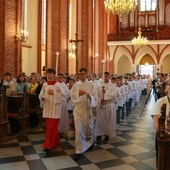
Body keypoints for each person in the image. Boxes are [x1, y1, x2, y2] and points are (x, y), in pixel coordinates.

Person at [70, 68, 98, 160]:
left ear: (86, 74)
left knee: (88, 128)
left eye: (83, 74)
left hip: (87, 110)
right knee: (78, 131)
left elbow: (95, 97)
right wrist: (78, 94)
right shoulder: (76, 85)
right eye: (80, 74)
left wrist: (90, 97)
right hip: (78, 109)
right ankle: (78, 150)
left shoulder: (91, 85)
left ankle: (90, 143)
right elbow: (72, 96)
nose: (81, 75)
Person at [39, 68, 63, 154]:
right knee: (50, 128)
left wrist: (54, 94)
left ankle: (48, 146)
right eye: (47, 73)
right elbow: (41, 94)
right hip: (48, 108)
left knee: (52, 128)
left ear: (54, 75)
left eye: (50, 73)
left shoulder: (58, 85)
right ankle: (55, 142)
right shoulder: (45, 85)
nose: (49, 75)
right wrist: (42, 98)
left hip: (55, 109)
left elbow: (64, 96)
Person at [94, 72, 118, 142]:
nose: (105, 78)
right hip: (101, 105)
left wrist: (106, 93)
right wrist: (99, 99)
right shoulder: (99, 86)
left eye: (106, 76)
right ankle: (99, 134)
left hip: (109, 105)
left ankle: (107, 134)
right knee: (100, 120)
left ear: (109, 77)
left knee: (108, 121)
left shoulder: (112, 86)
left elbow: (114, 95)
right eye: (104, 76)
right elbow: (96, 95)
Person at [153, 77, 170, 164]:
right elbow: (156, 121)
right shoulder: (161, 101)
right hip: (163, 136)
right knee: (162, 162)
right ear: (166, 87)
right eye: (169, 85)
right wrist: (161, 132)